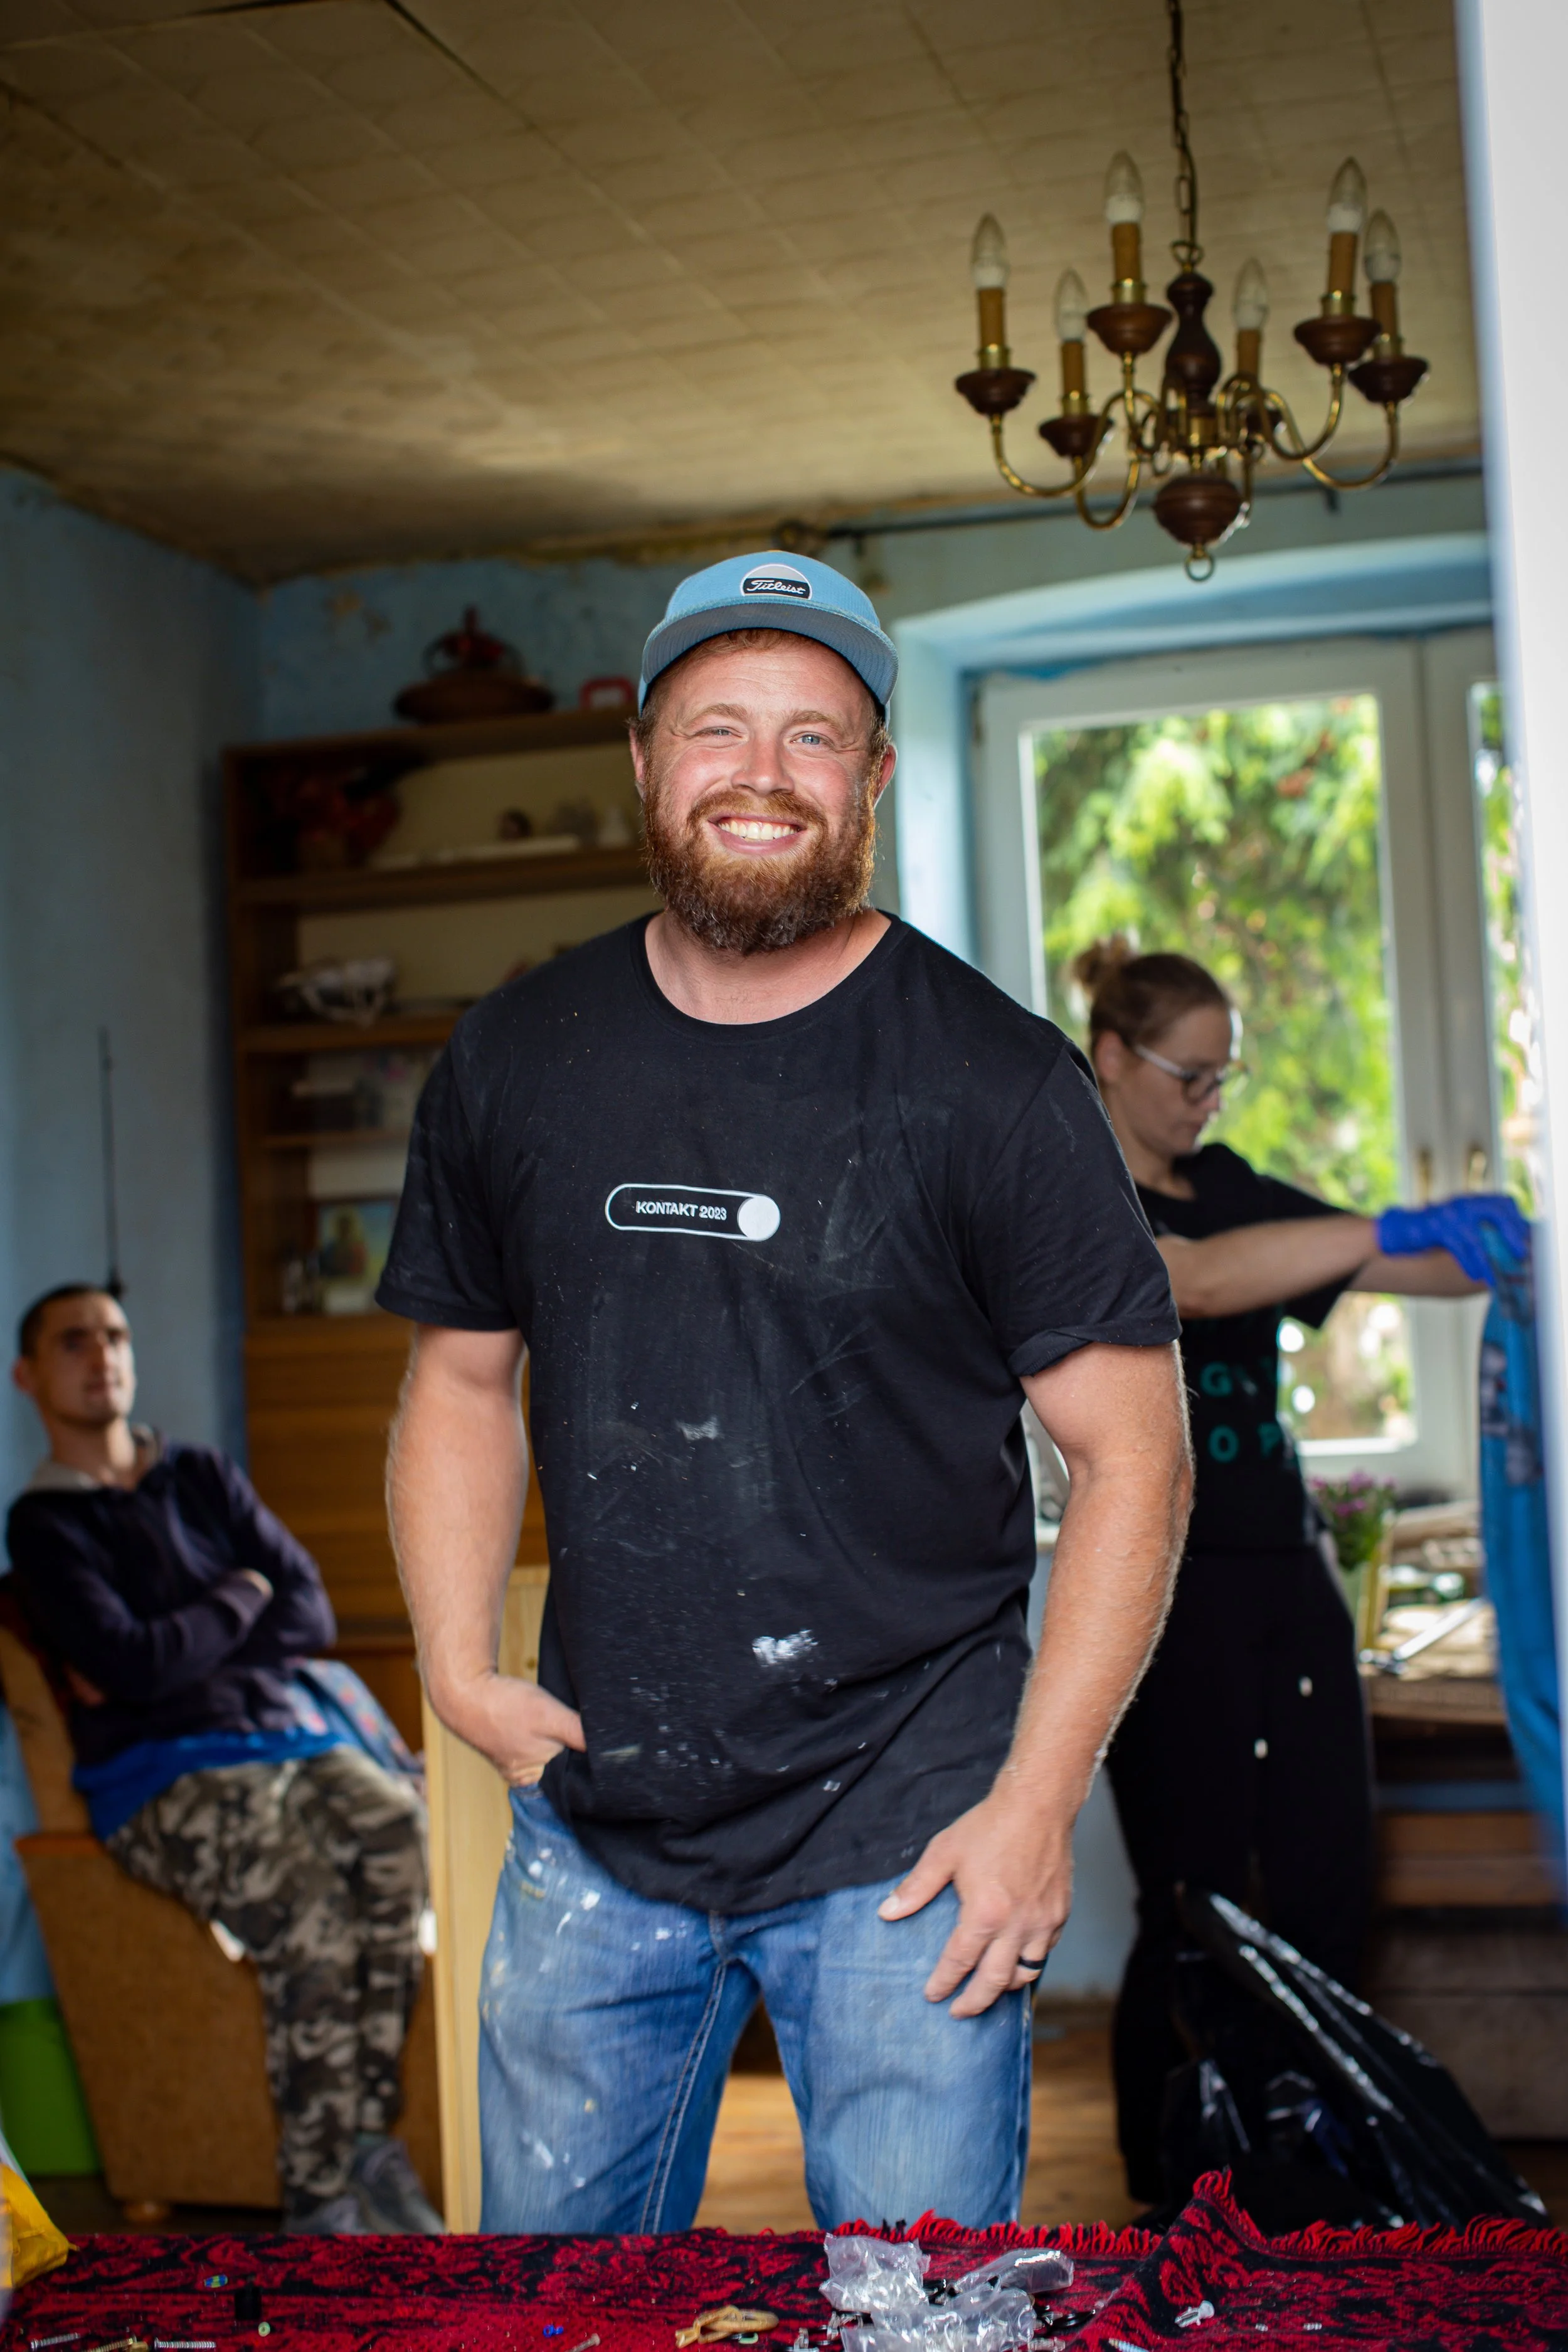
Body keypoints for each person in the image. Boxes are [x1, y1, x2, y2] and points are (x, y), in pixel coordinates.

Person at [379, 549, 1194, 2235]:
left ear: (873, 776)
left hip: (912, 1835)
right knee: (547, 2328)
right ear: (645, 759)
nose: (761, 773)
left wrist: (1034, 1809)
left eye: (814, 736)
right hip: (595, 1826)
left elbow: (1132, 1458)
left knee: (924, 2325)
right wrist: (454, 1661)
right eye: (717, 728)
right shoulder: (517, 1056)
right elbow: (459, 1374)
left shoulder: (990, 1080)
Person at [1073, 938, 1528, 2202]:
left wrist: (1497, 1249)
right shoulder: (1067, 1195)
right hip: (1161, 1589)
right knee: (1191, 1899)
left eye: (1222, 1078)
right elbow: (1207, 1282)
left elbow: (1382, 1262)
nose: (1206, 1101)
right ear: (1111, 1058)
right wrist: (1377, 1223)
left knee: (1327, 1885)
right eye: (1187, 1075)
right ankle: (1168, 2184)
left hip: (1284, 1577)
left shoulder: (1226, 1182)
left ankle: (1307, 2172)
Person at [5, 1284, 443, 2237]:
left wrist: (190, 1636)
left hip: (292, 1735)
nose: (103, 1355)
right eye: (74, 1341)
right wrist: (242, 1598)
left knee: (402, 1835)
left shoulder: (200, 1473)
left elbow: (311, 1612)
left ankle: (370, 2143)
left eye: (116, 1334)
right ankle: (319, 2196)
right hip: (163, 1771)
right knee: (313, 1908)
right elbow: (133, 1663)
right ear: (29, 1376)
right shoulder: (42, 1526)